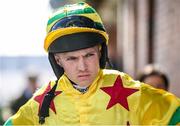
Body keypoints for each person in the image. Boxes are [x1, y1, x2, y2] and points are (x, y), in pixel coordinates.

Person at [4, 2, 180, 125]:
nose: (82, 67)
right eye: (71, 58)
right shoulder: (41, 103)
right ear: (57, 60)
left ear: (101, 52)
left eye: (89, 55)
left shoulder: (128, 90)